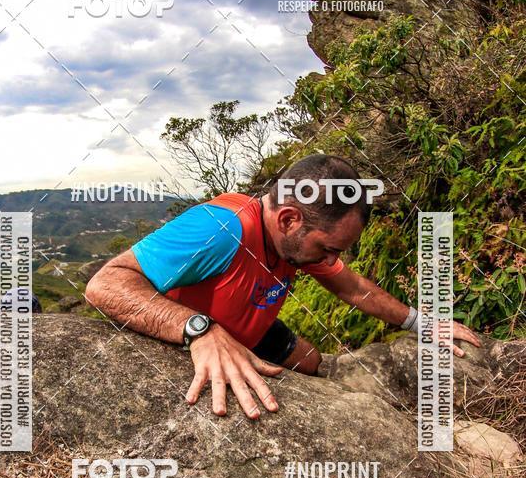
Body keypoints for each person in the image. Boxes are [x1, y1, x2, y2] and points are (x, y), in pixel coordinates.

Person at [85, 154, 480, 418]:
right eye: (327, 249)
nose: (330, 261)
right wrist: (198, 330)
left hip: (250, 325)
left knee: (312, 363)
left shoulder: (292, 241)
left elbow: (353, 288)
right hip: (197, 327)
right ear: (290, 219)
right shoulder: (221, 229)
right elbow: (105, 284)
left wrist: (421, 324)